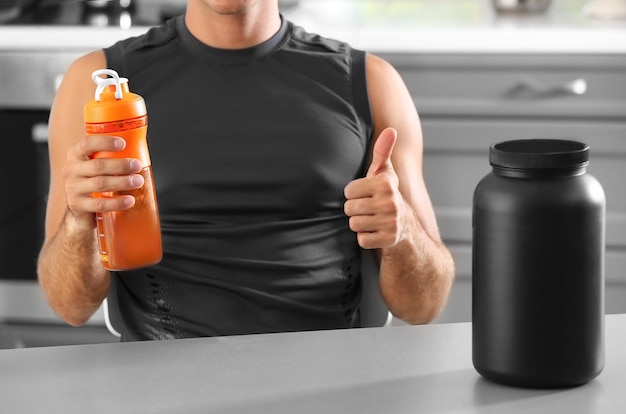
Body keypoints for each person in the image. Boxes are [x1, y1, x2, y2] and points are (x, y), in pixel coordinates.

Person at [37, 0, 455, 341]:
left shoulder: (369, 82)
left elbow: (424, 306)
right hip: (162, 379)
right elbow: (70, 306)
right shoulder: (100, 87)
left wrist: (402, 233)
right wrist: (80, 223)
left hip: (328, 373)